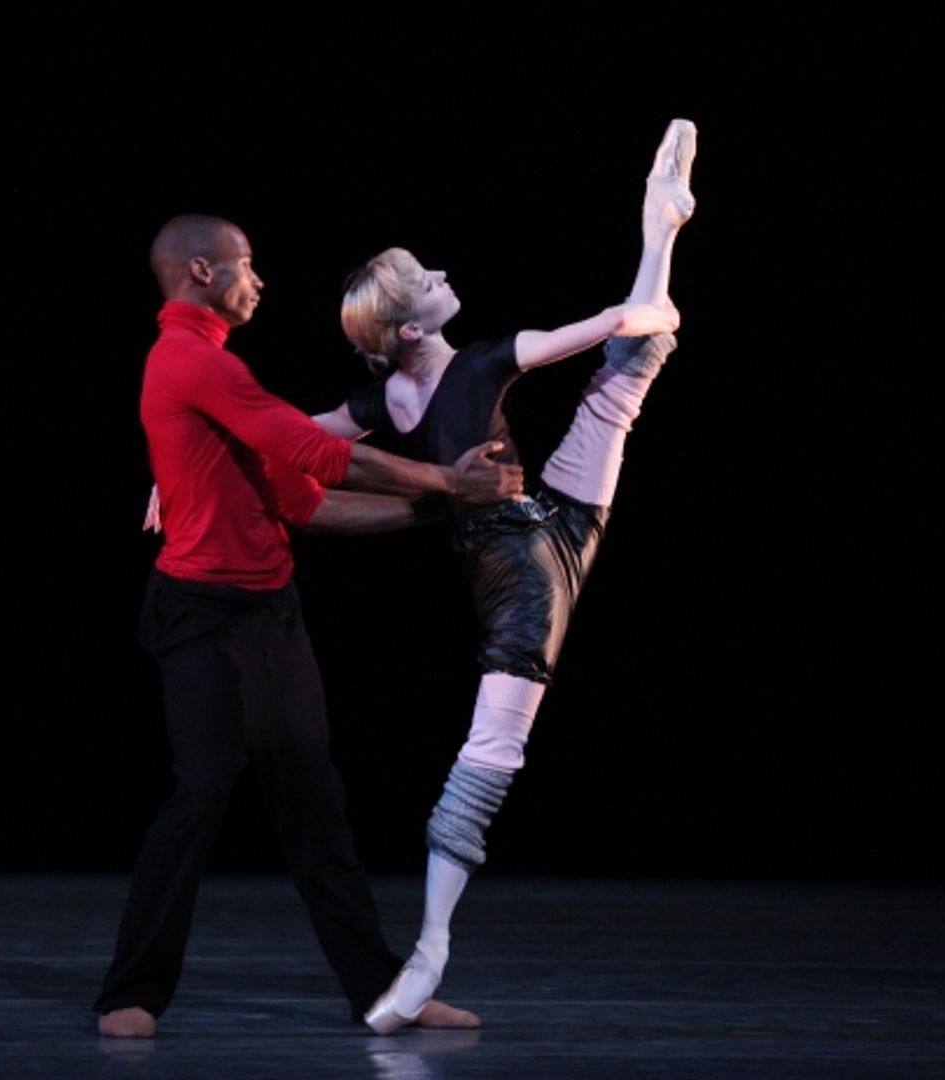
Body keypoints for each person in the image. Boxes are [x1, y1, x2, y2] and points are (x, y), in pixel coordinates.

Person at [94, 212, 526, 1039]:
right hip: (199, 616)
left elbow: (308, 503)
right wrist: (446, 479)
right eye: (246, 265)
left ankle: (383, 993)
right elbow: (322, 452)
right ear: (201, 274)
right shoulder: (188, 363)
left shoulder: (221, 372)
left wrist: (438, 512)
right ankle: (129, 990)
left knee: (315, 802)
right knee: (203, 792)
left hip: (271, 613)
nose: (259, 279)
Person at [311, 118, 698, 1033]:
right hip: (528, 576)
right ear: (412, 324)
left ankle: (663, 226)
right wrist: (651, 313)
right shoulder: (482, 357)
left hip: (544, 523)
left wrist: (187, 463)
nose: (447, 277)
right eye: (431, 281)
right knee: (488, 760)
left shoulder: (381, 399)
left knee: (626, 381)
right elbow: (602, 325)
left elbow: (288, 432)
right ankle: (431, 949)